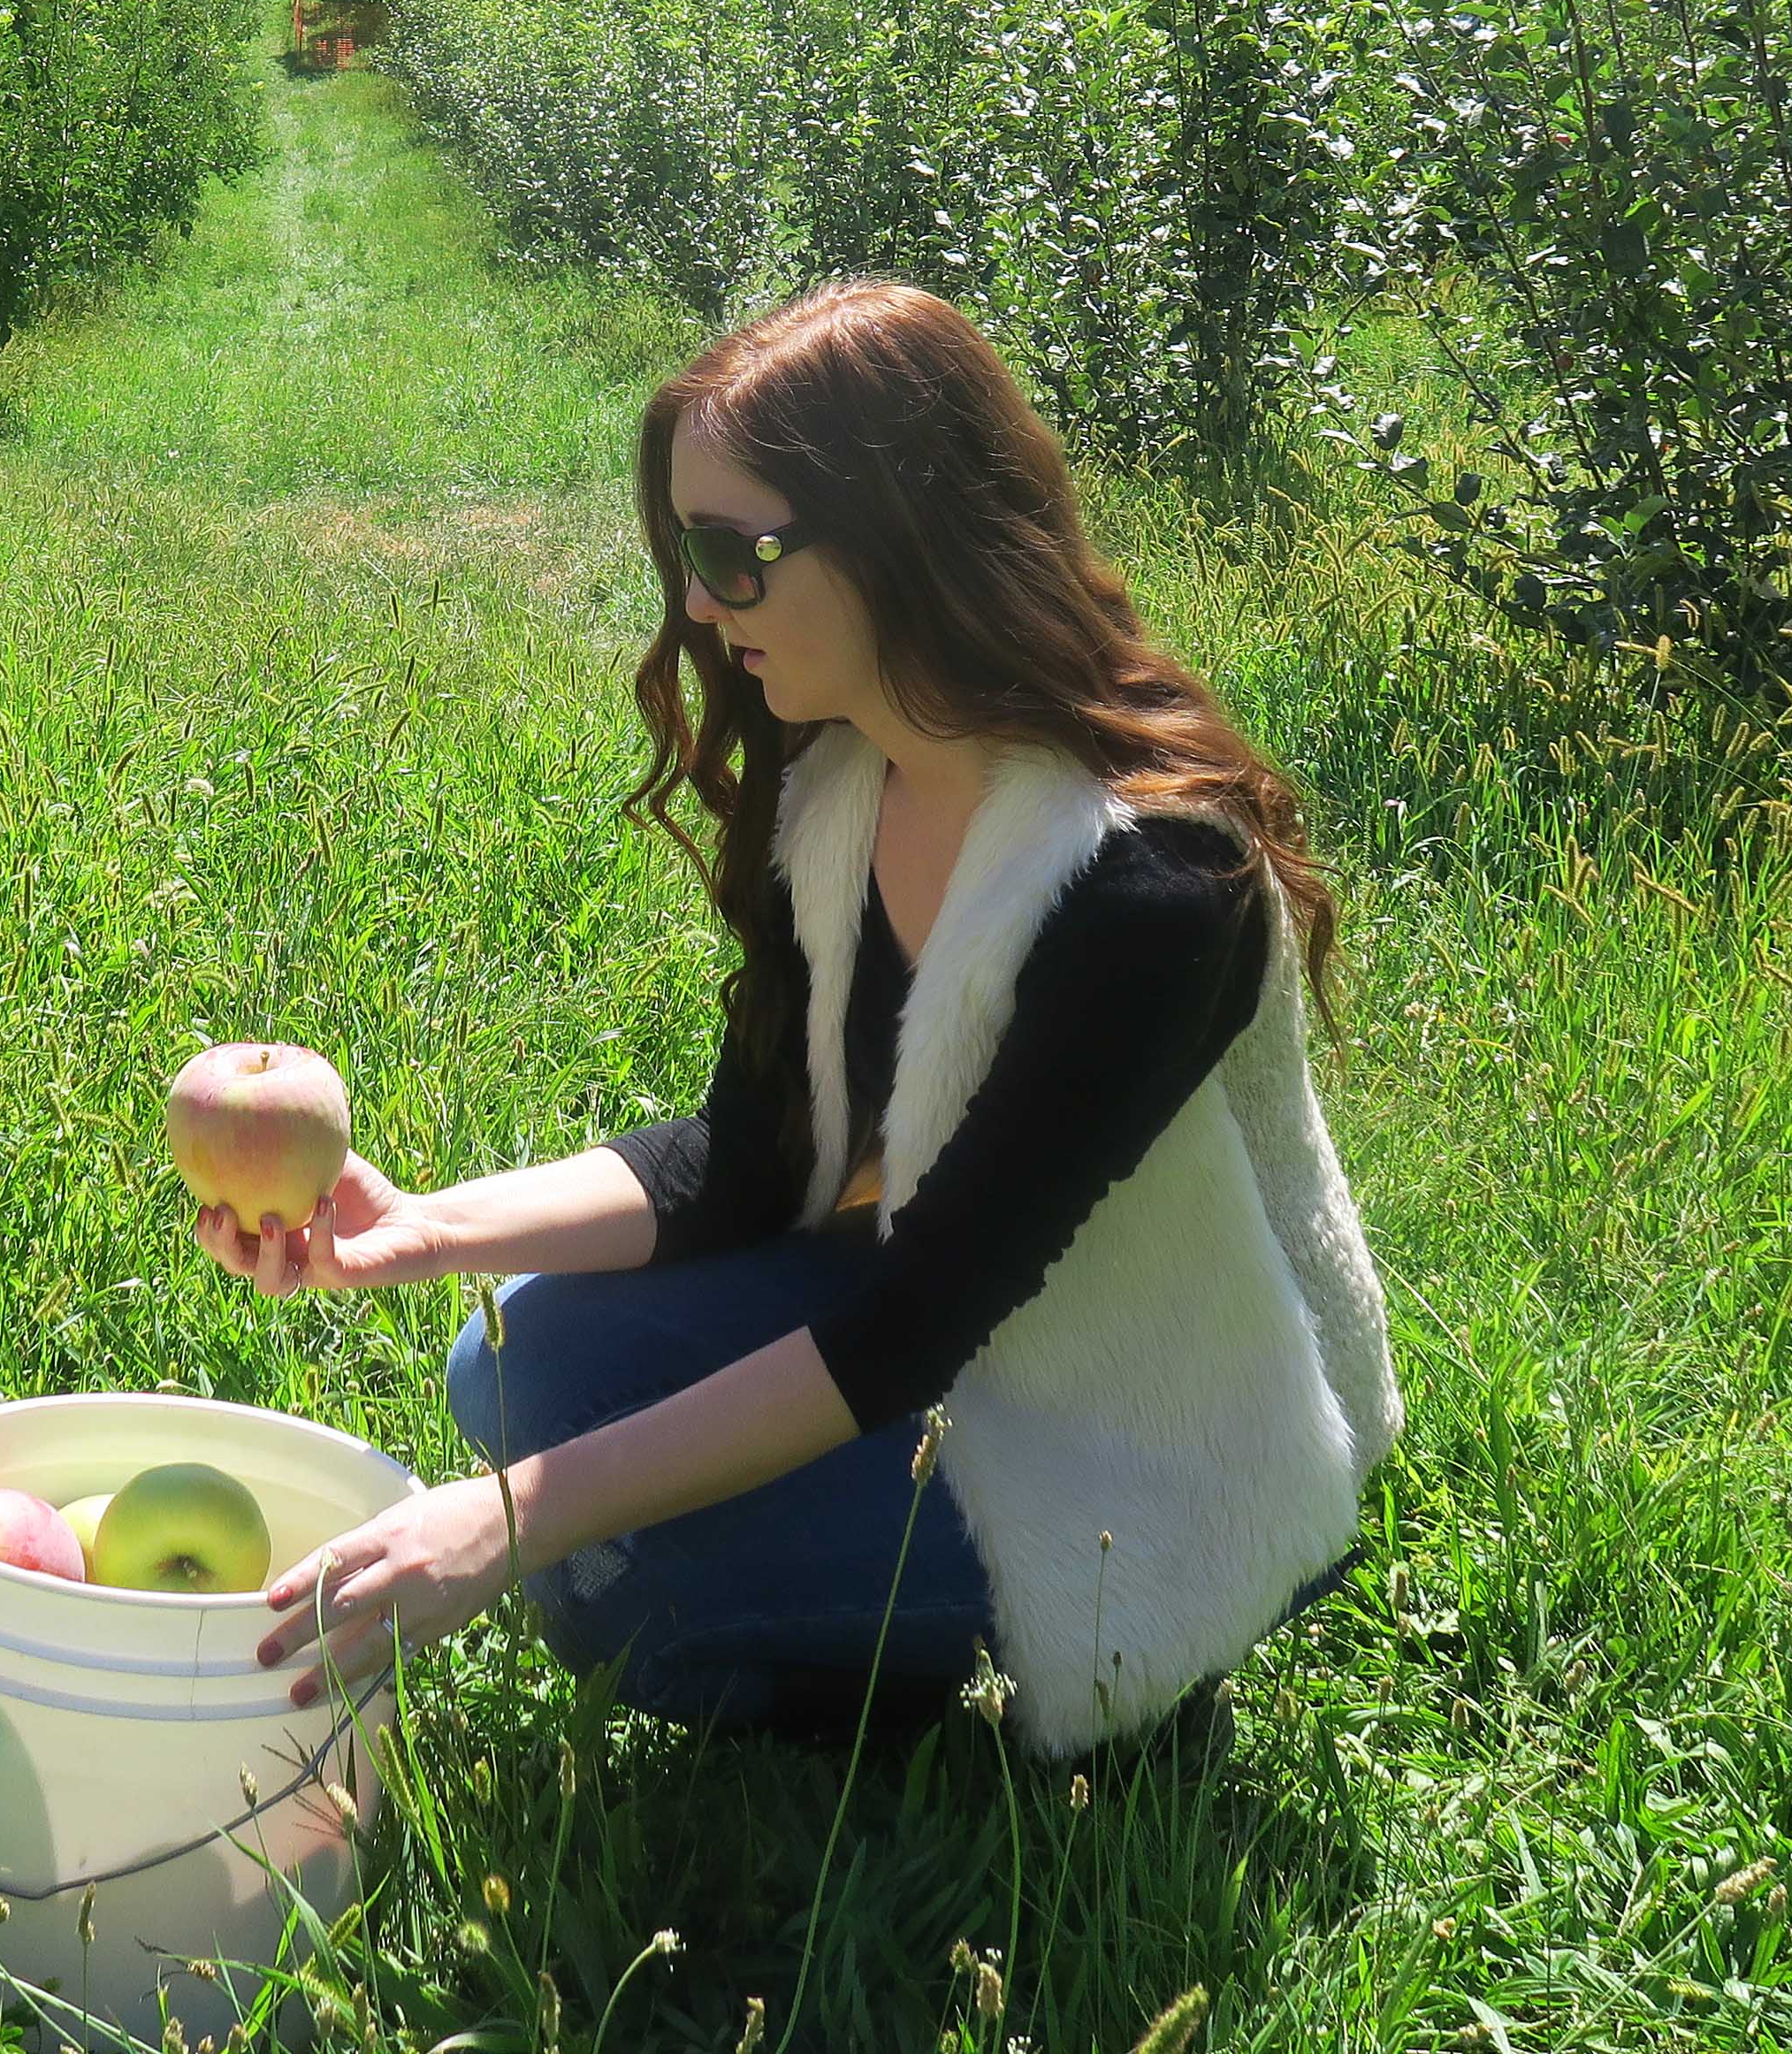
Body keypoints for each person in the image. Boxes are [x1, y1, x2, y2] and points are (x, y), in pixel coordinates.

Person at [192, 281, 1396, 1759]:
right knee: (513, 1366)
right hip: (952, 1343)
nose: (695, 603)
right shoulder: (842, 782)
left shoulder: (1153, 883)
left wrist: (507, 1523)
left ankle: (1122, 1656)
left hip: (1159, 1439)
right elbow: (753, 1164)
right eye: (684, 554)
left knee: (618, 1594)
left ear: (901, 533)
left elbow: (909, 1328)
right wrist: (422, 1227)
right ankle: (843, 1618)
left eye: (730, 554)